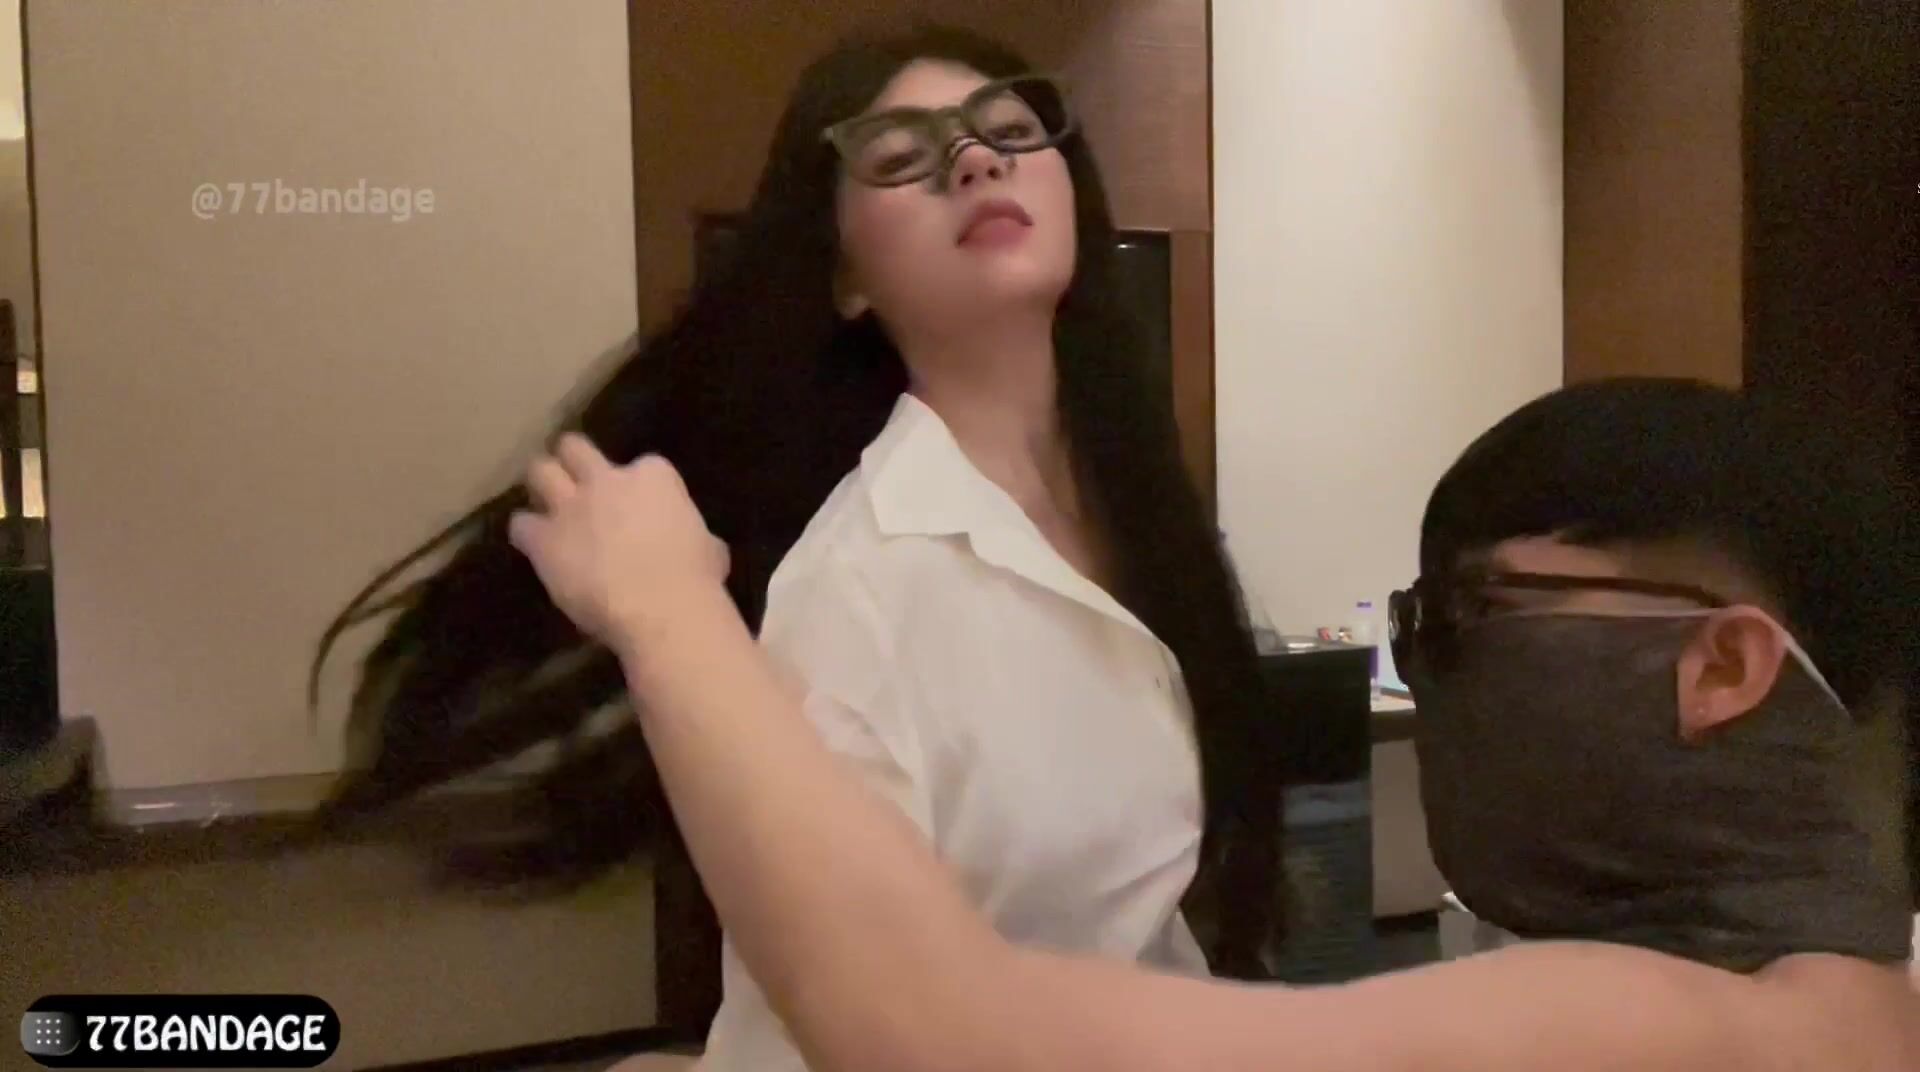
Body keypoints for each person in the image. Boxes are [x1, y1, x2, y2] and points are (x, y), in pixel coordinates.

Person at [309, 23, 1286, 1071]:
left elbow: (1140, 942)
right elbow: (872, 1020)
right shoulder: (858, 583)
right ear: (847, 279)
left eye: (1009, 131)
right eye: (902, 158)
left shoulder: (1145, 527)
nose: (974, 158)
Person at [508, 378, 1919, 1072]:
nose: (1429, 672)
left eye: (1467, 616)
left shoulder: (1667, 1029)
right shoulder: (1853, 996)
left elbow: (928, 1027)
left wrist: (666, 608)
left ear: (1723, 667)